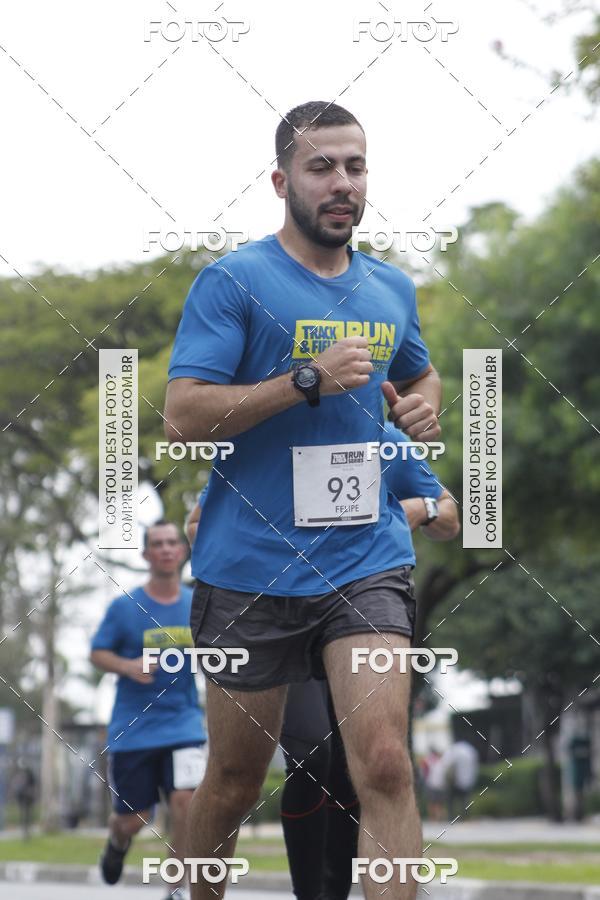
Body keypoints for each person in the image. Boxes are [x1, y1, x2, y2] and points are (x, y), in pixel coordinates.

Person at [165, 100, 442, 900]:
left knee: (385, 762)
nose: (342, 183)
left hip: (364, 559)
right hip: (249, 568)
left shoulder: (391, 288)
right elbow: (183, 417)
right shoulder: (235, 282)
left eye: (355, 167)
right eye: (323, 167)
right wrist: (304, 381)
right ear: (283, 180)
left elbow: (416, 374)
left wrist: (422, 405)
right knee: (234, 780)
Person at [185, 423, 460, 900]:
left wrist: (418, 508)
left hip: (356, 603)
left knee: (381, 764)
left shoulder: (378, 438)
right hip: (274, 611)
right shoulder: (261, 444)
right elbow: (196, 523)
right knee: (296, 759)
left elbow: (451, 514)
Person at [90, 521, 207, 900]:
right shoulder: (125, 608)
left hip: (185, 723)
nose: (167, 548)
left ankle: (175, 888)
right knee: (135, 819)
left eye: (173, 542)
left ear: (183, 551)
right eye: (157, 543)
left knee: (186, 804)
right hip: (134, 728)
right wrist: (127, 666)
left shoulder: (197, 604)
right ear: (146, 554)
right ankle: (117, 839)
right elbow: (97, 653)